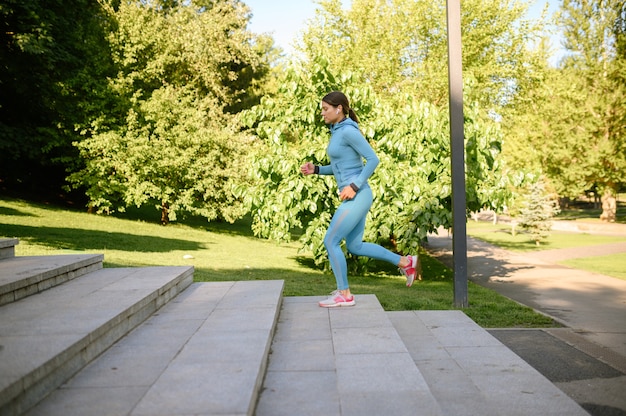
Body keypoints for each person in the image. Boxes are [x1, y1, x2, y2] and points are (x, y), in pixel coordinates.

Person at [300, 91, 421, 308]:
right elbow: (340, 168)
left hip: (359, 194)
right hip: (357, 194)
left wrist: (354, 186)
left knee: (331, 240)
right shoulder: (337, 132)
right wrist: (316, 169)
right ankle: (405, 262)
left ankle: (344, 294)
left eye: (325, 109)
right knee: (355, 246)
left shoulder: (347, 132)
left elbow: (373, 159)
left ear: (339, 108)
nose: (322, 113)